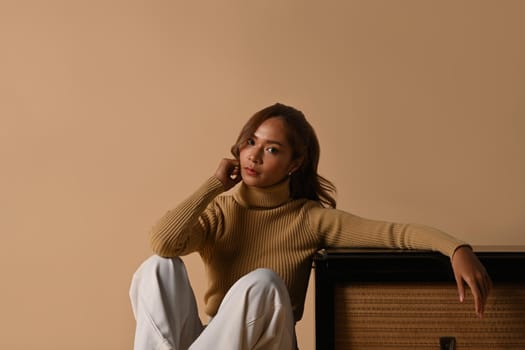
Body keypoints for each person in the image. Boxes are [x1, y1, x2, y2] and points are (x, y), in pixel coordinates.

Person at [129, 103, 492, 350]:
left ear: (294, 163)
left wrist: (457, 249)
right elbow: (163, 242)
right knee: (159, 267)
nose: (254, 155)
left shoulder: (309, 219)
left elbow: (393, 233)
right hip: (217, 340)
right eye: (251, 142)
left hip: (267, 345)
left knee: (264, 282)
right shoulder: (221, 211)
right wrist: (213, 186)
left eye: (272, 149)